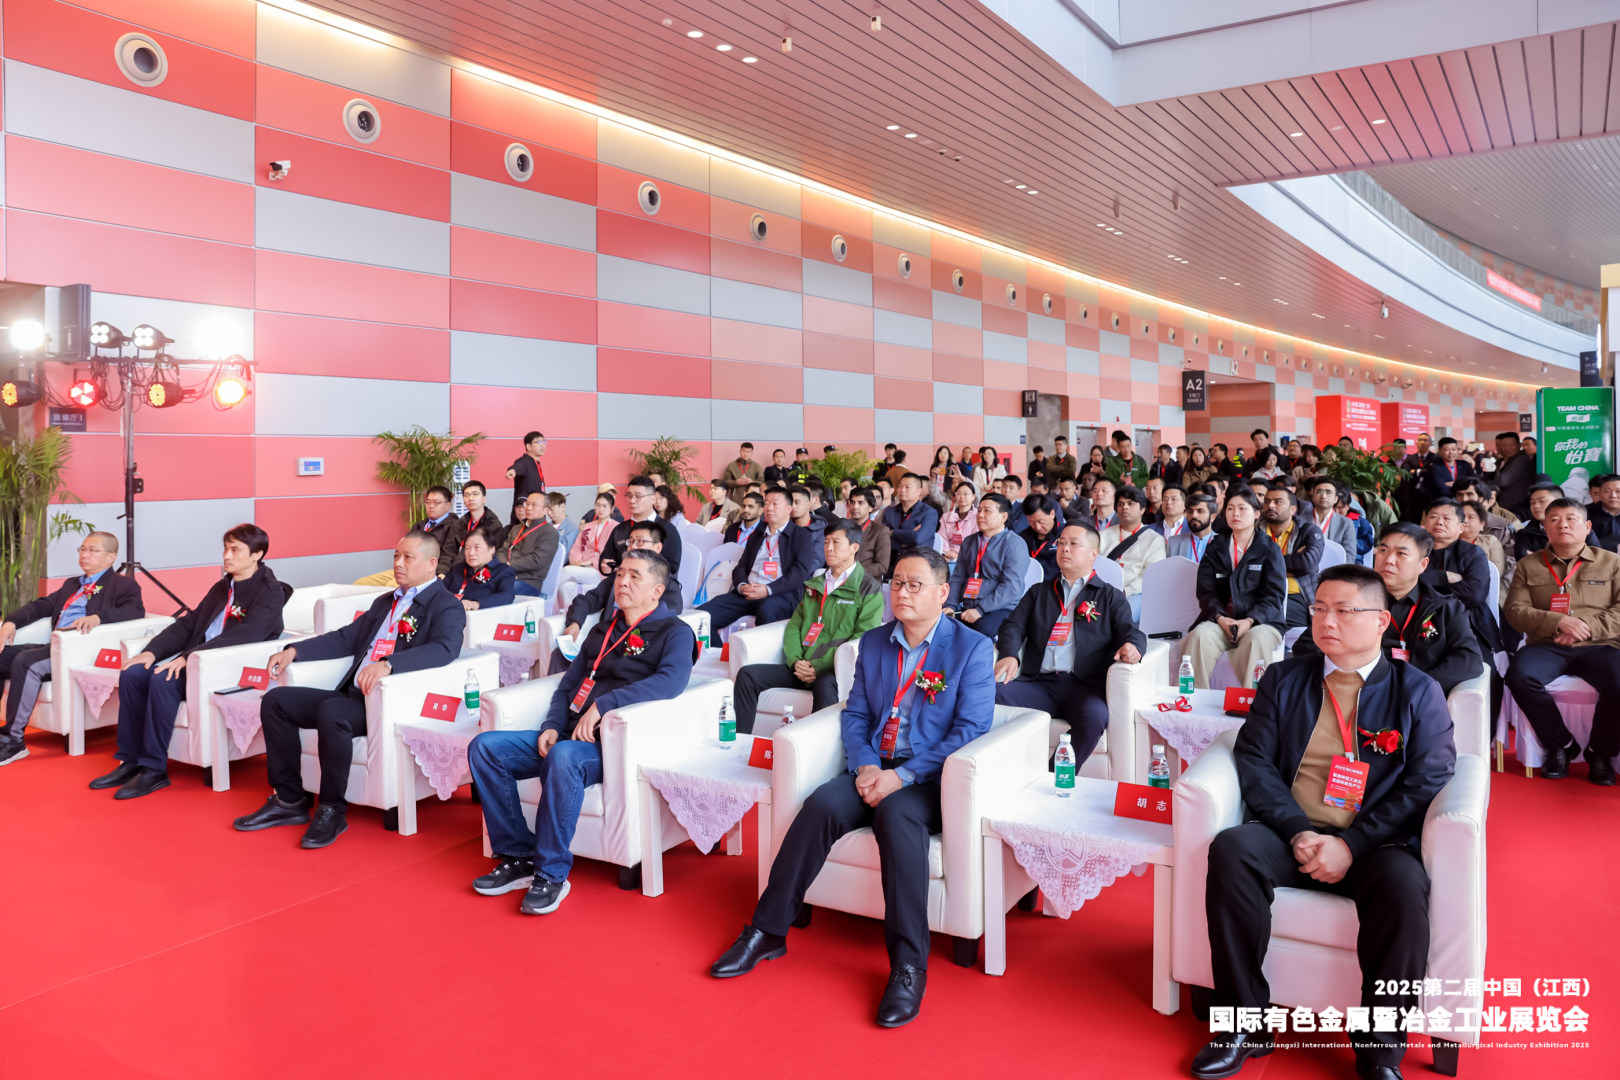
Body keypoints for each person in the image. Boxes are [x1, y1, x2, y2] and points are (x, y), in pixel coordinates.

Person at [710, 549, 995, 1028]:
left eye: (915, 585)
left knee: (897, 816)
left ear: (943, 592)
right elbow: (856, 713)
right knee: (821, 803)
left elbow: (970, 729)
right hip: (873, 766)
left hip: (929, 778)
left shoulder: (971, 648)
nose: (902, 593)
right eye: (897, 583)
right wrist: (865, 766)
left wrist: (901, 776)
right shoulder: (876, 642)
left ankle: (908, 967)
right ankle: (767, 930)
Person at [1193, 565, 1455, 1080]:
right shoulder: (1286, 678)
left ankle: (1379, 1050)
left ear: (1381, 620)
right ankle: (1243, 1024)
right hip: (1292, 833)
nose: (1326, 621)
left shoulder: (1416, 690)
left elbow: (1427, 780)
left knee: (1405, 888)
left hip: (1375, 844)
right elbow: (1254, 760)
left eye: (1343, 610)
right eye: (1318, 609)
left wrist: (1352, 845)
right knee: (1232, 849)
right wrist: (1297, 831)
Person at [468, 550, 696, 912]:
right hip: (569, 735)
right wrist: (551, 725)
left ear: (657, 590)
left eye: (634, 576)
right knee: (485, 747)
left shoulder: (675, 633)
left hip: (613, 746)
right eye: (620, 574)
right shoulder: (603, 629)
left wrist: (604, 705)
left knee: (565, 756)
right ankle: (518, 854)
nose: (622, 582)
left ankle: (551, 874)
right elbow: (567, 685)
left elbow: (671, 682)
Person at [235, 531, 466, 848]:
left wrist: (389, 664)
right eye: (396, 556)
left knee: (333, 711)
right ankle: (289, 799)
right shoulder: (386, 601)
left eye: (407, 557)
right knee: (277, 701)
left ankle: (332, 809)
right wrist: (295, 651)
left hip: (391, 701)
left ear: (431, 564)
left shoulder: (445, 605)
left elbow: (445, 649)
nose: (398, 563)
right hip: (354, 696)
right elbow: (346, 637)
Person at [89, 525, 289, 799]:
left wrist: (188, 657)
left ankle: (153, 769)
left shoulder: (270, 591)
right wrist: (152, 652)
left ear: (257, 554)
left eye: (235, 550)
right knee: (134, 673)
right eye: (225, 549)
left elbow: (248, 634)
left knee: (163, 679)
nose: (226, 556)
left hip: (226, 666)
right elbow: (189, 623)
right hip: (198, 658)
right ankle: (130, 760)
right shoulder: (223, 586)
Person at [994, 523, 1143, 769]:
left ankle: (1053, 777)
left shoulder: (1109, 595)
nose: (1065, 548)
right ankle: (1001, 769)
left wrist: (1133, 646)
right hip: (1039, 684)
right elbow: (1013, 626)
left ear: (1093, 554)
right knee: (986, 693)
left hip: (1084, 686)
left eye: (1074, 544)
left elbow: (1131, 631)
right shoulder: (1039, 592)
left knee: (1095, 716)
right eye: (1061, 543)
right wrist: (1010, 655)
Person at [0, 533, 144, 767]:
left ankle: (13, 741)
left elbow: (134, 611)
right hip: (54, 646)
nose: (84, 555)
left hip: (79, 651)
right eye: (82, 549)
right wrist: (10, 622)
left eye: (93, 550)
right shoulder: (72, 584)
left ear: (111, 557)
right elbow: (42, 605)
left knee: (26, 662)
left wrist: (99, 617)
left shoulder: (123, 585)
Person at [1504, 498, 1620, 784]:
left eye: (1571, 519)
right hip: (1547, 645)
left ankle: (1601, 752)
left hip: (1600, 644)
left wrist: (1585, 626)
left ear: (1587, 526)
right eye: (1554, 519)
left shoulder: (1612, 562)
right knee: (1519, 676)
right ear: (1545, 527)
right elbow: (1515, 610)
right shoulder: (1528, 565)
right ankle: (1560, 744)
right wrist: (1558, 622)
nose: (1563, 525)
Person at [1293, 524, 1482, 696]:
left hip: (1414, 699)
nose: (1389, 560)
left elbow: (1468, 659)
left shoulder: (1445, 607)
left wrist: (1416, 687)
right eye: (1383, 550)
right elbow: (1306, 646)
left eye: (1401, 554)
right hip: (1358, 695)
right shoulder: (1349, 602)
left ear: (1422, 565)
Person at [732, 520, 885, 732]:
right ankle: (741, 741)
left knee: (827, 685)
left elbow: (863, 636)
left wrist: (819, 666)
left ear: (854, 547)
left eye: (836, 542)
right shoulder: (816, 583)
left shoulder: (868, 588)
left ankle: (813, 748)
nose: (828, 548)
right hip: (801, 666)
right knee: (747, 675)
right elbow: (794, 626)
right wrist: (796, 661)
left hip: (832, 669)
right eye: (826, 542)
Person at [1185, 490, 1287, 689]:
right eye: (1230, 508)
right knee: (1200, 636)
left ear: (1257, 513)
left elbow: (1273, 595)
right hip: (1221, 621)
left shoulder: (1269, 549)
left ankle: (1255, 701)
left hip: (1261, 622)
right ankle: (1193, 699)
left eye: (1242, 508)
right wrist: (1220, 618)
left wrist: (1249, 621)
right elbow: (1206, 592)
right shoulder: (1215, 548)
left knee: (1256, 641)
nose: (1235, 514)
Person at [553, 521, 683, 672]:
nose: (633, 547)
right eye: (630, 542)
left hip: (634, 647)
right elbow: (587, 600)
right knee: (558, 656)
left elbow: (668, 616)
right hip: (605, 639)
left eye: (640, 542)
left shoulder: (665, 583)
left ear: (658, 548)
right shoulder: (619, 577)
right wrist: (574, 623)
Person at [700, 487, 822, 633]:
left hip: (779, 594)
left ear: (788, 509)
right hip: (748, 592)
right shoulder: (757, 534)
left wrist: (768, 590)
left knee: (767, 611)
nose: (769, 508)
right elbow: (741, 567)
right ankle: (720, 648)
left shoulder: (801, 535)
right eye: (767, 503)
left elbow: (800, 572)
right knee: (703, 616)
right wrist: (742, 585)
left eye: (775, 504)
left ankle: (757, 649)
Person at [1419, 499, 1501, 656]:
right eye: (1434, 516)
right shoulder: (1415, 551)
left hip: (1469, 623)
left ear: (1461, 527)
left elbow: (1475, 593)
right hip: (1421, 620)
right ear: (1425, 523)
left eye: (1447, 518)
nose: (1439, 522)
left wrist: (1427, 584)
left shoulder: (1473, 553)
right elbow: (1404, 582)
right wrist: (1443, 577)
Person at [943, 493, 1029, 639]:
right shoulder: (969, 541)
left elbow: (1011, 587)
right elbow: (958, 577)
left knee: (977, 634)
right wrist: (950, 605)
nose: (980, 515)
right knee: (943, 627)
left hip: (999, 609)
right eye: (979, 510)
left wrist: (981, 610)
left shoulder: (1014, 544)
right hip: (968, 607)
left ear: (1003, 517)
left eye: (987, 511)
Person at [1259, 485, 1324, 629]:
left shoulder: (1308, 531)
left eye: (1278, 502)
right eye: (1267, 501)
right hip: (1260, 594)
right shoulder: (1255, 531)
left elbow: (1306, 563)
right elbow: (1247, 565)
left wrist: (1266, 564)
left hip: (1295, 596)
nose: (1270, 505)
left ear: (1293, 509)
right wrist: (1293, 559)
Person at [1099, 486, 1167, 622]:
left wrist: (1126, 591)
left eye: (1130, 503)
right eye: (1120, 504)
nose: (1124, 507)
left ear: (1142, 509)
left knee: (1121, 617)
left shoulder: (1154, 540)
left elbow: (1151, 576)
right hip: (1102, 591)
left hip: (1134, 594)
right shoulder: (1102, 535)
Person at [597, 476, 683, 582]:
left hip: (654, 586)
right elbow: (606, 557)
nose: (632, 501)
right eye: (629, 496)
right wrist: (605, 566)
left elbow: (672, 567)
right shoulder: (620, 529)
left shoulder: (667, 530)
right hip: (622, 583)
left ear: (652, 499)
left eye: (638, 496)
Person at [557, 491, 618, 610]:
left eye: (604, 506)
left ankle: (548, 598)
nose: (600, 509)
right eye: (598, 505)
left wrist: (591, 561)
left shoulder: (616, 528)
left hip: (599, 571)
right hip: (581, 568)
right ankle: (566, 614)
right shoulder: (588, 526)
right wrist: (577, 561)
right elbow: (576, 548)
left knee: (567, 571)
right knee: (565, 588)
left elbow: (613, 555)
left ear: (612, 509)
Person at [502, 491, 560, 598]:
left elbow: (536, 561)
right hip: (506, 574)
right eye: (527, 504)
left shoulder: (549, 532)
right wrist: (504, 567)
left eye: (534, 505)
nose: (528, 508)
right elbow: (502, 551)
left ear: (545, 510)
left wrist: (509, 566)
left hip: (528, 581)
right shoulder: (516, 528)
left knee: (501, 588)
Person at [443, 531, 518, 611]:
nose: (471, 553)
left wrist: (477, 604)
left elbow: (507, 595)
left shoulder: (503, 571)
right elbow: (440, 590)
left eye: (477, 548)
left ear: (492, 549)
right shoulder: (458, 568)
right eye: (467, 548)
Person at [881, 473, 940, 570]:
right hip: (891, 564)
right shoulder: (889, 512)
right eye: (900, 486)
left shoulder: (929, 513)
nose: (902, 490)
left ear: (919, 491)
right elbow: (883, 540)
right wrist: (909, 538)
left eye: (908, 487)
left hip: (918, 564)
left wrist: (893, 533)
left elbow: (918, 538)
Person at [417, 486, 466, 577]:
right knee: (386, 577)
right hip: (414, 570)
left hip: (435, 573)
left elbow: (449, 554)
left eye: (436, 503)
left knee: (393, 584)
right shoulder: (419, 526)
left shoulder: (454, 526)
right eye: (428, 502)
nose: (431, 506)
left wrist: (441, 573)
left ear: (448, 505)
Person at [847, 487, 892, 583]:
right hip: (841, 580)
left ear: (870, 507)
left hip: (866, 583)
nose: (855, 507)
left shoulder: (880, 531)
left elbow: (882, 566)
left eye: (860, 503)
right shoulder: (843, 528)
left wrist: (852, 572)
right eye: (852, 502)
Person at [1458, 500, 1507, 587]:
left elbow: (1497, 571)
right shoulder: (1447, 541)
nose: (1464, 520)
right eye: (1462, 516)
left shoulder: (1490, 542)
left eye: (1470, 517)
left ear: (1482, 524)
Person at [1305, 476, 1357, 557]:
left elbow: (1349, 555)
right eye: (1319, 492)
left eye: (1328, 492)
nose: (1323, 496)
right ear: (1313, 497)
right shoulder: (1301, 519)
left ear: (1335, 499)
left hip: (1335, 564)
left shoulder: (1346, 524)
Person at [1512, 482, 1563, 561]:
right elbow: (1524, 564)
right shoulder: (1524, 534)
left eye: (1542, 501)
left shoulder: (1577, 530)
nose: (1536, 506)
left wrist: (1538, 559)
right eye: (1532, 502)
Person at [1019, 495, 1063, 582]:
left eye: (1041, 521)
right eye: (1031, 522)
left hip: (1057, 584)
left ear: (1052, 514)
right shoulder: (1023, 538)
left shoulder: (1065, 535)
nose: (1037, 527)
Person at [1167, 492, 1219, 562]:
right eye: (1190, 511)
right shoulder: (1174, 543)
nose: (1194, 515)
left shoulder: (1223, 543)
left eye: (1200, 511)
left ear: (1212, 517)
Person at [1493, 432, 1535, 518]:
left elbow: (1503, 481)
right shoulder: (1510, 460)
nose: (1507, 448)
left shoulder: (1521, 460)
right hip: (1510, 507)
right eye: (1504, 445)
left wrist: (1493, 480)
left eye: (1511, 445)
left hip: (1516, 508)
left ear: (1519, 445)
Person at [460, 481, 507, 549]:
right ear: (464, 501)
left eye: (475, 494)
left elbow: (496, 552)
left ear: (484, 499)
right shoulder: (459, 524)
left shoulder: (494, 525)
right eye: (466, 495)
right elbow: (450, 551)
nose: (470, 498)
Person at [938, 480, 978, 558]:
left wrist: (958, 554)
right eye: (958, 493)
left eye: (966, 494)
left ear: (974, 496)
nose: (962, 497)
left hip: (968, 556)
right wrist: (946, 553)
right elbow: (942, 537)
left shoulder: (977, 516)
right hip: (947, 556)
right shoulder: (946, 516)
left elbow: (975, 541)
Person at [505, 430, 547, 505]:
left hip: (536, 508)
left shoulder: (536, 463)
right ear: (528, 446)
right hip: (524, 510)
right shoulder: (525, 461)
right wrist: (512, 471)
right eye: (539, 442)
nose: (543, 445)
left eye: (544, 442)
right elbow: (518, 466)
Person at [543, 492, 577, 558]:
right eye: (547, 510)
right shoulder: (545, 527)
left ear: (562, 506)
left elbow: (563, 556)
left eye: (551, 509)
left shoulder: (572, 530)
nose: (549, 513)